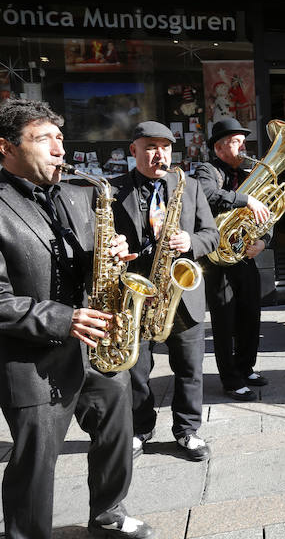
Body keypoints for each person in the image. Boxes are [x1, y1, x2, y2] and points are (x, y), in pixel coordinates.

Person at [0, 99, 153, 538]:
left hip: (93, 346)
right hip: (32, 360)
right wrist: (63, 319)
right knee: (35, 464)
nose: (59, 150)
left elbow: (89, 263)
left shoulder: (78, 194)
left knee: (116, 432)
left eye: (61, 139)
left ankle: (109, 513)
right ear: (6, 148)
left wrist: (114, 256)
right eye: (43, 139)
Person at [111, 121, 219, 461]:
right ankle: (140, 428)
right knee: (136, 371)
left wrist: (191, 241)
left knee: (190, 368)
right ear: (134, 151)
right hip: (135, 295)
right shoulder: (113, 191)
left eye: (166, 148)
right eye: (151, 147)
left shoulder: (189, 187)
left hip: (181, 295)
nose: (160, 155)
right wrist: (116, 246)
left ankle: (187, 431)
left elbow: (211, 234)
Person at [194, 117, 271, 401]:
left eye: (243, 142)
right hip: (217, 261)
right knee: (224, 322)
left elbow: (268, 212)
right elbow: (208, 195)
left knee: (251, 314)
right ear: (220, 147)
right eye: (236, 142)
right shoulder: (207, 170)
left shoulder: (250, 171)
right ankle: (230, 379)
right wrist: (245, 200)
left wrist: (264, 242)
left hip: (245, 256)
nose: (243, 147)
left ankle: (246, 367)